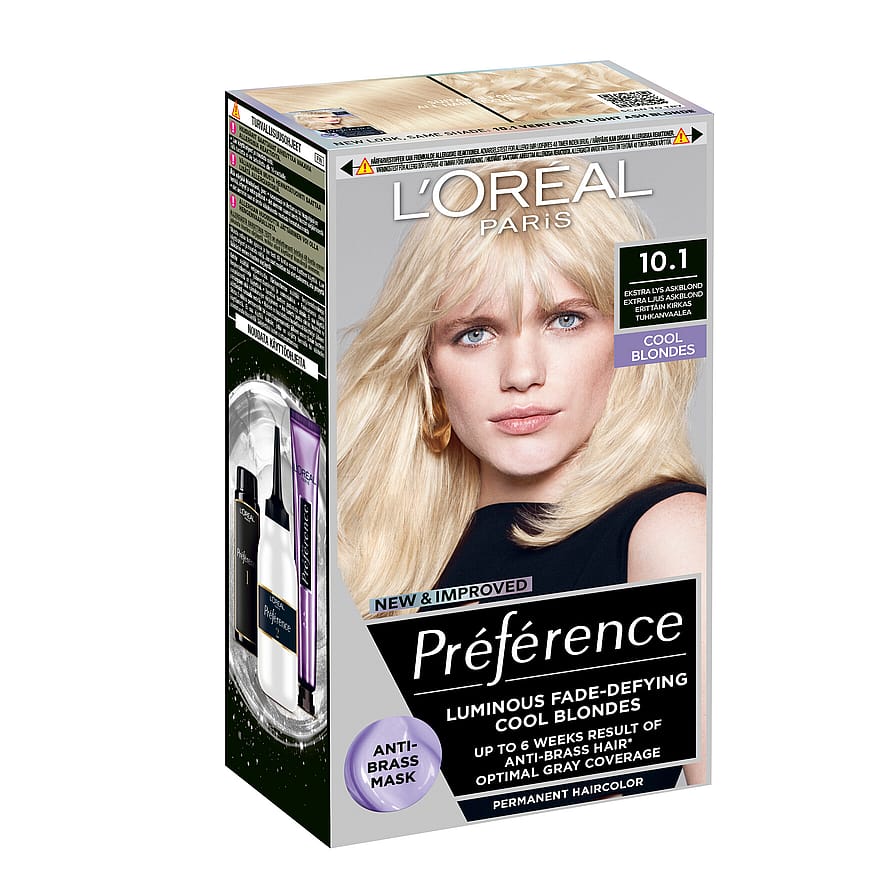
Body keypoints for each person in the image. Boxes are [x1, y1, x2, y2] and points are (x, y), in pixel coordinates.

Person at [338, 156, 707, 785]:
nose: (521, 374)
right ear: (429, 369)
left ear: (629, 341)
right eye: (475, 333)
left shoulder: (672, 533)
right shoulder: (385, 564)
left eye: (566, 319)